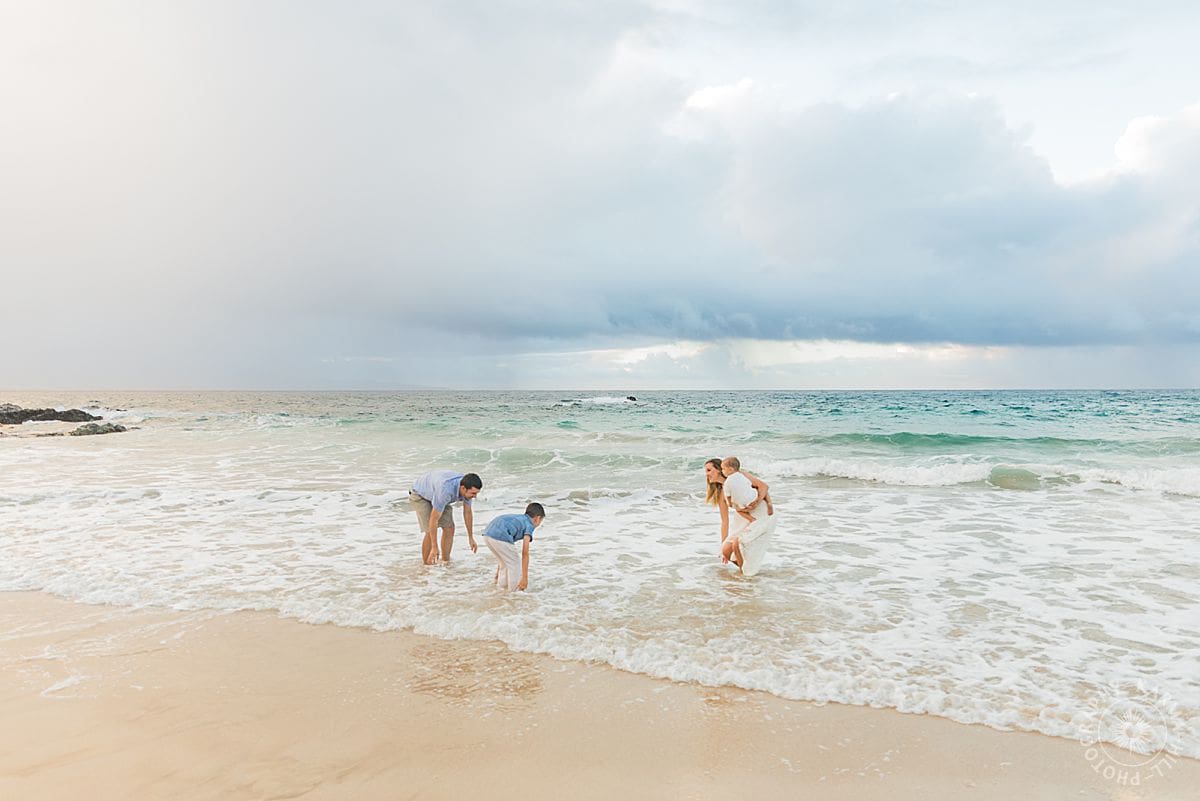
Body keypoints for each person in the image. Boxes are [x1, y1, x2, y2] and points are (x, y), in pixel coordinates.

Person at [704, 456, 775, 576]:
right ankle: (745, 571)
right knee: (725, 551)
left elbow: (764, 487)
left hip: (761, 513)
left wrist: (757, 502)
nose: (706, 474)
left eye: (709, 470)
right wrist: (723, 544)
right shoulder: (722, 493)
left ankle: (746, 573)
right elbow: (724, 521)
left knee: (738, 545)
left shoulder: (739, 476)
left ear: (719, 470)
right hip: (744, 518)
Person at [409, 470, 482, 565]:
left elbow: (467, 512)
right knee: (429, 532)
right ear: (463, 488)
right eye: (473, 494)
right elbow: (434, 519)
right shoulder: (445, 491)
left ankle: (445, 562)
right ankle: (426, 566)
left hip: (436, 493)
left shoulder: (467, 488)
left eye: (476, 493)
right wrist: (435, 547)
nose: (475, 497)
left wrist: (471, 537)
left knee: (449, 528)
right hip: (420, 495)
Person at [483, 502, 546, 591]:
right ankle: (514, 592)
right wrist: (524, 578)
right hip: (500, 536)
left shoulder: (519, 519)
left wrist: (497, 572)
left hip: (487, 534)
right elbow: (525, 552)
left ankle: (501, 590)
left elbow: (503, 553)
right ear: (538, 518)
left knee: (504, 564)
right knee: (515, 564)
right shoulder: (529, 525)